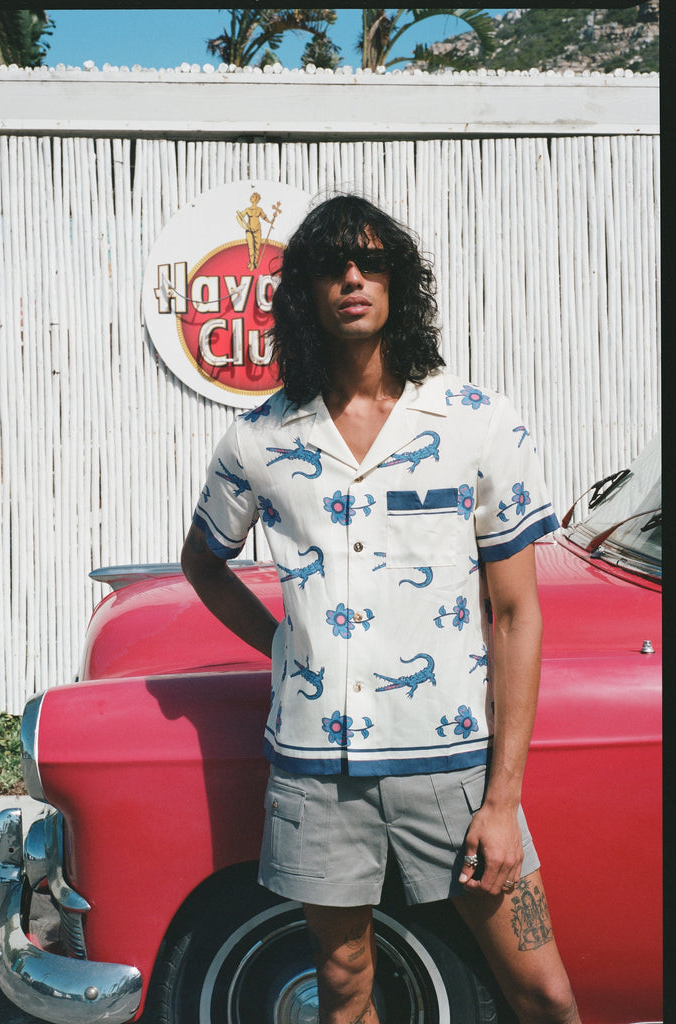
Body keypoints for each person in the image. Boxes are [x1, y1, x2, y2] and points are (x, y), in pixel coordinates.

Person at [181, 193, 581, 1024]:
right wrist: (290, 642)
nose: (352, 278)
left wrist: (502, 803)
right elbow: (204, 561)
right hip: (317, 774)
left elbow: (517, 615)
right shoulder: (260, 439)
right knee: (344, 987)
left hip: (457, 767)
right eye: (331, 266)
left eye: (370, 262)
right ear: (305, 294)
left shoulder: (476, 424)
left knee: (543, 992)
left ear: (398, 283)